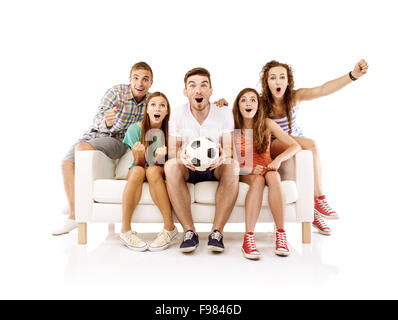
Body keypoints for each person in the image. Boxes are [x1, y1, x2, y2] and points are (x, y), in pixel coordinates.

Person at [260, 59, 369, 235]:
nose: (278, 81)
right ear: (267, 82)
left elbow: (323, 89)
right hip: (275, 143)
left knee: (306, 161)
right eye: (273, 78)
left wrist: (353, 75)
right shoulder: (262, 103)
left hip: (297, 142)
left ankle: (311, 211)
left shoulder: (295, 97)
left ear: (288, 81)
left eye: (282, 77)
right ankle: (320, 198)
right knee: (311, 144)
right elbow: (241, 113)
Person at [52, 62, 153, 236]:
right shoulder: (116, 92)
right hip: (96, 133)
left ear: (151, 83)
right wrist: (107, 121)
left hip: (118, 139)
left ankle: (74, 215)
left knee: (82, 149)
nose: (140, 83)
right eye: (136, 78)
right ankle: (75, 199)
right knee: (66, 163)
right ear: (130, 80)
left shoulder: (151, 101)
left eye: (145, 79)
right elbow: (99, 118)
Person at [164, 67, 239, 253]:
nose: (198, 90)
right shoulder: (177, 113)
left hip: (215, 167)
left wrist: (222, 155)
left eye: (203, 85)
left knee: (233, 165)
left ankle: (217, 232)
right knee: (171, 165)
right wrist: (181, 156)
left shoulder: (223, 112)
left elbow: (229, 148)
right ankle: (189, 232)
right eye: (192, 85)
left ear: (211, 91)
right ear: (185, 92)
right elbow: (173, 150)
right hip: (188, 167)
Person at [233, 88, 301, 259]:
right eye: (243, 100)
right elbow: (232, 162)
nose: (248, 103)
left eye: (252, 100)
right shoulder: (232, 125)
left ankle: (281, 234)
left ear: (258, 106)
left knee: (274, 176)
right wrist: (249, 169)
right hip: (245, 170)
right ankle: (248, 237)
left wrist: (277, 160)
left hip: (266, 167)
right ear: (238, 106)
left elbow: (295, 145)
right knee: (257, 180)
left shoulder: (267, 123)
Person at [119, 92, 178, 251]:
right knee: (138, 171)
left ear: (167, 111)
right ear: (146, 109)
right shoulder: (135, 130)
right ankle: (125, 230)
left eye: (162, 105)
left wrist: (160, 160)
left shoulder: (171, 131)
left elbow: (170, 166)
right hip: (139, 167)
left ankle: (169, 228)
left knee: (152, 171)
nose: (157, 108)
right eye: (153, 105)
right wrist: (138, 155)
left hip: (159, 171)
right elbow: (138, 164)